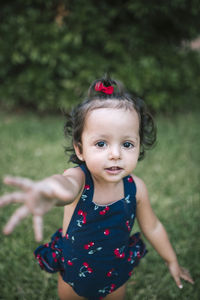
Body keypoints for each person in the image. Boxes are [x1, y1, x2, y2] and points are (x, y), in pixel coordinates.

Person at [0, 75, 194, 300]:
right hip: (73, 276)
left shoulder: (136, 189)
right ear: (80, 150)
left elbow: (153, 227)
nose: (115, 154)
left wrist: (172, 260)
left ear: (139, 145)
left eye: (127, 144)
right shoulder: (79, 180)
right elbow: (64, 186)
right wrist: (49, 190)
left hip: (114, 276)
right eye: (101, 143)